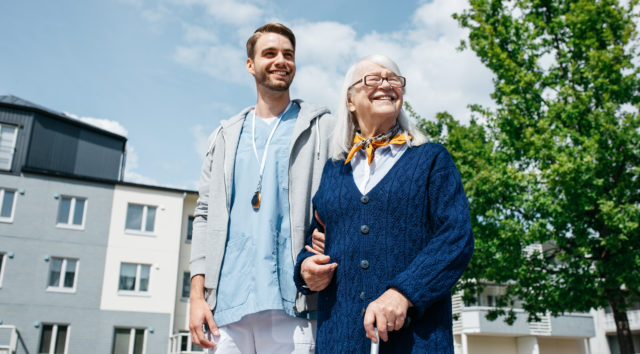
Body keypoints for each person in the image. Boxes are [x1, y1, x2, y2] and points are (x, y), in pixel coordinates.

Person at [293, 54, 474, 353]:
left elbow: (456, 237)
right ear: (350, 100)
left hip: (418, 342)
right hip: (340, 340)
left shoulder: (430, 160)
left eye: (393, 79)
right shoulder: (334, 170)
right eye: (373, 79)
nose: (386, 84)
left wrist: (404, 293)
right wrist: (305, 270)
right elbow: (314, 242)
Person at [189, 23, 335, 353]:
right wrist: (197, 296)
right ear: (250, 64)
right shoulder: (224, 136)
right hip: (225, 309)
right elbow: (203, 216)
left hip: (294, 306)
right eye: (269, 53)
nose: (281, 60)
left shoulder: (323, 128)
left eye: (288, 54)